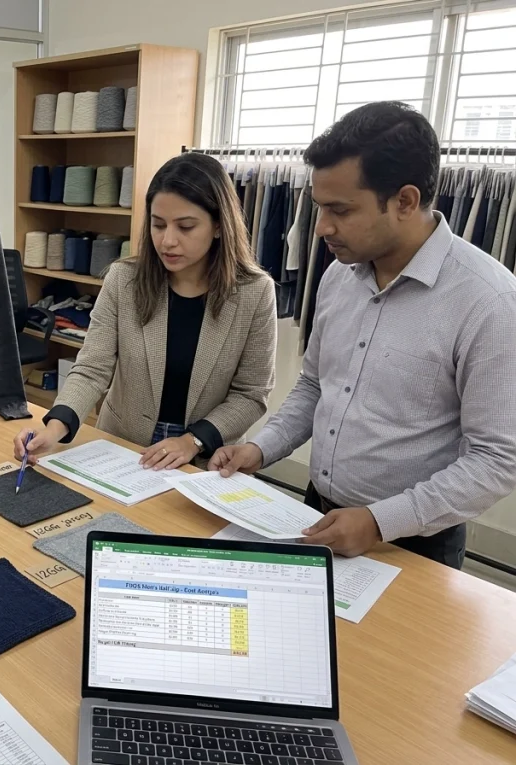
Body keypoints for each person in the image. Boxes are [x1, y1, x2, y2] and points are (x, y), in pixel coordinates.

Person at [210, 101, 516, 569]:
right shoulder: (339, 276)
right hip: (315, 512)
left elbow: (496, 459)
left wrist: (378, 521)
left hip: (414, 541)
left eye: (341, 210)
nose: (321, 228)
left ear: (406, 201)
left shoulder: (487, 301)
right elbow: (315, 386)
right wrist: (260, 448)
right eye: (319, 208)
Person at [13, 153, 277, 470]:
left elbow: (251, 394)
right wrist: (52, 429)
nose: (167, 241)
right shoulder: (125, 280)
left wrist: (192, 440)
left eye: (186, 227)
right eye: (158, 224)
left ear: (219, 226)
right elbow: (92, 368)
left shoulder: (255, 292)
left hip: (208, 455)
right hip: (123, 446)